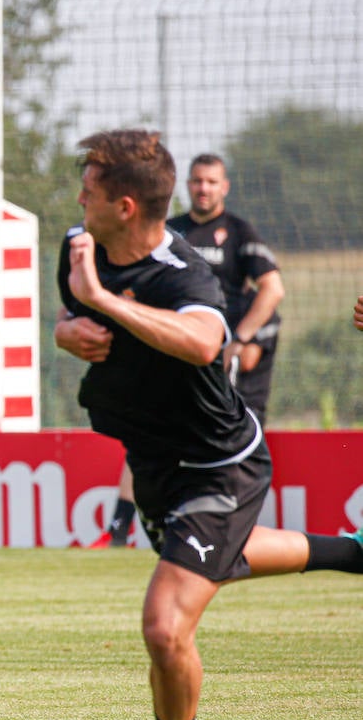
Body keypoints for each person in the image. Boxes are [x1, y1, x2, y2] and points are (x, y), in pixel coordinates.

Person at [53, 128, 363, 720]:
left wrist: (102, 299)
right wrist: (69, 328)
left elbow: (202, 341)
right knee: (218, 561)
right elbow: (76, 320)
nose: (79, 197)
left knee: (166, 625)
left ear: (125, 206)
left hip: (220, 466)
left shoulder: (185, 275)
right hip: (157, 470)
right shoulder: (79, 245)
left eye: (91, 187)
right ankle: (354, 554)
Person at [89, 153, 285, 549]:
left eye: (212, 182)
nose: (203, 188)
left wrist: (241, 339)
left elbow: (273, 288)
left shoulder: (239, 233)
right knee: (148, 432)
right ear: (187, 186)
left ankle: (225, 533)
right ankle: (119, 529)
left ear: (224, 187)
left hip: (212, 352)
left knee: (226, 447)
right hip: (170, 351)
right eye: (197, 181)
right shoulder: (169, 231)